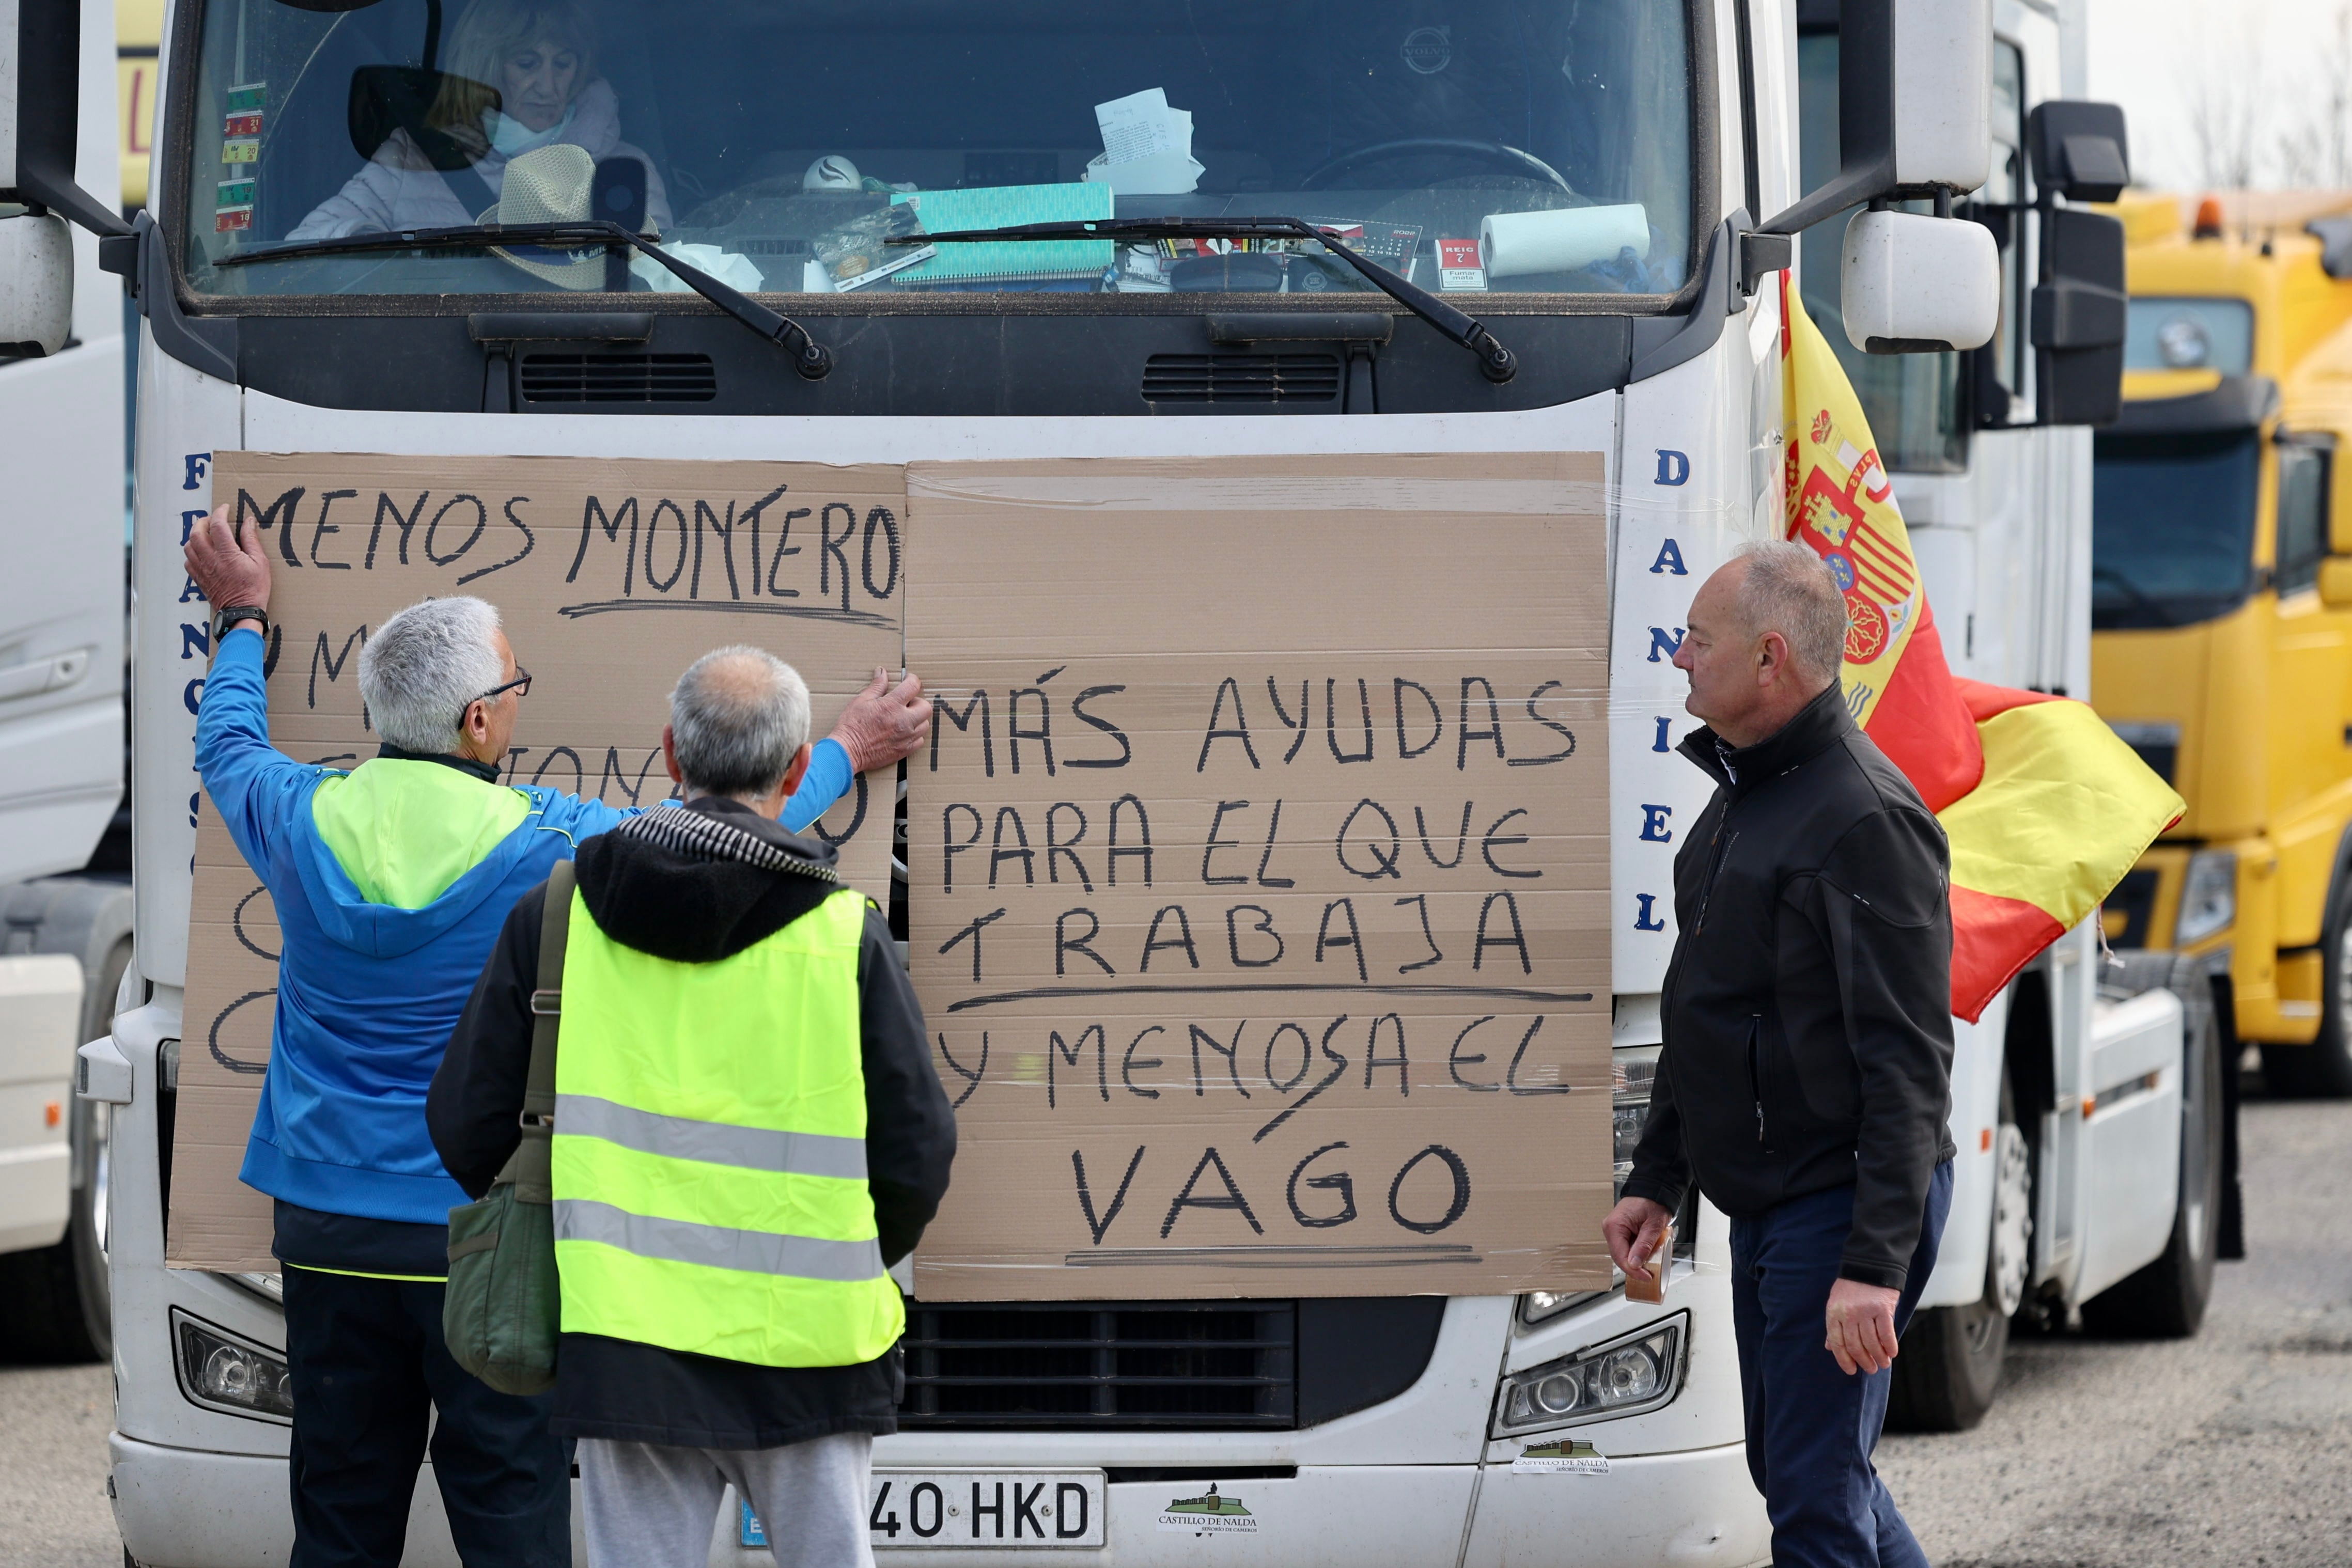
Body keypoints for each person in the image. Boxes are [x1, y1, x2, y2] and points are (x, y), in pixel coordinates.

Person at [183, 505, 930, 1567]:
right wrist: (843, 752)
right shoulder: (553, 844)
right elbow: (711, 839)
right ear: (479, 724)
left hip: (326, 1237)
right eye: (517, 684)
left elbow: (227, 741)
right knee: (511, 1517)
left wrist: (243, 619)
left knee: (339, 1519)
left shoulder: (296, 817)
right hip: (488, 1245)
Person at [428, 646, 956, 1568]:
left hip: (628, 1350)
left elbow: (464, 1124)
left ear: (670, 754)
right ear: (798, 771)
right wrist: (840, 1252)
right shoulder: (844, 936)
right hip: (810, 1352)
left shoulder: (558, 917)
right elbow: (917, 1151)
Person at [1602, 539, 1956, 1568]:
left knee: (1809, 1495)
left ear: (1767, 659)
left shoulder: (1865, 819)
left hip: (1839, 1201)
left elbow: (1906, 1061)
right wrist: (1658, 1178)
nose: (1677, 657)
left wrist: (1870, 1266)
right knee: (1801, 1474)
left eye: (1695, 640)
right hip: (1768, 1199)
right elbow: (1701, 1007)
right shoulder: (1737, 802)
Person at [290, 0, 673, 242]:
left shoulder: (622, 168)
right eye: (527, 64)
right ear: (488, 66)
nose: (548, 85)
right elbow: (307, 243)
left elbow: (660, 280)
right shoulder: (418, 154)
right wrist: (373, 252)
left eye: (563, 63)